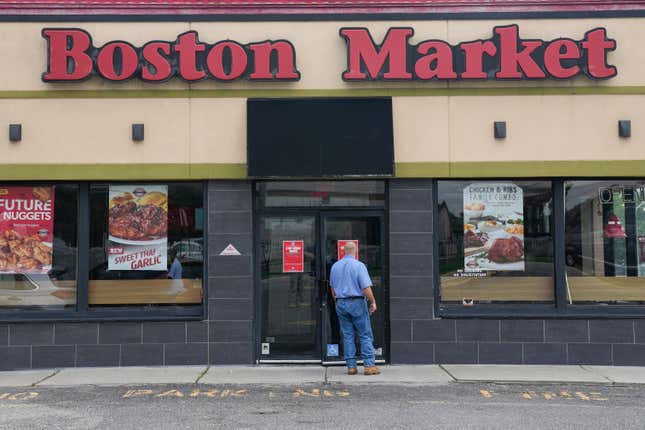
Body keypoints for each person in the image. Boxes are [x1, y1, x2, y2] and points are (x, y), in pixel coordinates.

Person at [329, 241, 380, 376]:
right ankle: (369, 365)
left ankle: (351, 366)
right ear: (355, 251)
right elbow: (366, 288)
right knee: (364, 334)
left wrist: (337, 302)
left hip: (341, 303)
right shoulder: (359, 266)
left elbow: (332, 289)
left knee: (347, 335)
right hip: (356, 302)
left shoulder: (335, 267)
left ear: (344, 251)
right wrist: (373, 301)